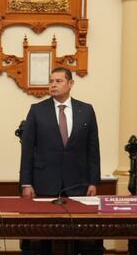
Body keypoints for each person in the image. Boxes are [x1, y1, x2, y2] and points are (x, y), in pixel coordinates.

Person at [19, 67, 100, 198]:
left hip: (78, 184)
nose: (53, 85)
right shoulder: (37, 110)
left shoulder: (86, 110)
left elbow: (93, 150)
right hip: (44, 183)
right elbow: (27, 150)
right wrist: (26, 183)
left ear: (70, 84)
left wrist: (93, 182)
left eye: (59, 81)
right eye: (51, 81)